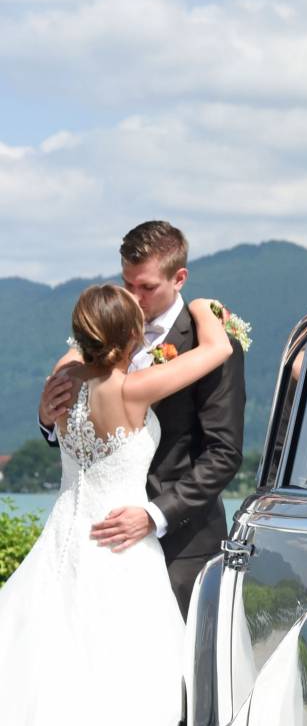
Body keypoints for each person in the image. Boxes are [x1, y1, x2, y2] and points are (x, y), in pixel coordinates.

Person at [0, 283, 232, 726]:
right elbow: (214, 350)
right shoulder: (132, 390)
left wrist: (62, 386)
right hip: (119, 550)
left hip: (63, 541)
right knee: (125, 681)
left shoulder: (65, 380)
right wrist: (205, 310)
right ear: (130, 337)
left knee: (52, 676)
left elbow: (66, 380)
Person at [37, 221, 246, 615]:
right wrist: (48, 419)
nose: (133, 298)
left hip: (181, 545)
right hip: (95, 540)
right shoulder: (98, 340)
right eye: (127, 283)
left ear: (179, 278)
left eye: (146, 287)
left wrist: (155, 515)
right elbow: (84, 428)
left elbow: (223, 453)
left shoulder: (209, 340)